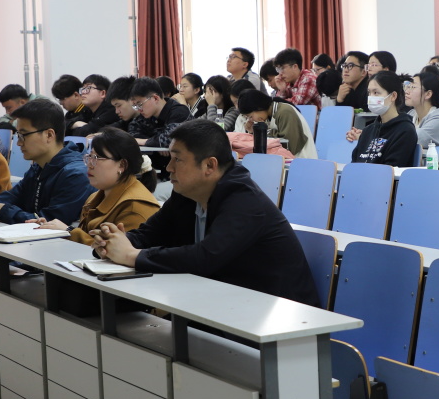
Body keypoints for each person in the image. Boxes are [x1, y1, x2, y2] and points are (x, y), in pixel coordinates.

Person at [90, 121, 320, 306]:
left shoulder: (245, 201)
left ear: (210, 165)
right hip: (225, 303)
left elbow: (206, 257)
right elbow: (150, 234)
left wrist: (132, 256)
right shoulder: (186, 193)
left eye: (177, 159)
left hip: (278, 315)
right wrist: (113, 242)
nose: (169, 168)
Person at [29, 128, 159, 243]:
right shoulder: (94, 197)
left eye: (97, 158)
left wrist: (68, 232)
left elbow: (117, 252)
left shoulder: (135, 207)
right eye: (90, 157)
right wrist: (50, 228)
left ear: (122, 165)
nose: (89, 164)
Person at [345, 72, 418, 167]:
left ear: (393, 96)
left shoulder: (405, 131)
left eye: (376, 93)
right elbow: (354, 165)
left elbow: (392, 168)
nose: (371, 97)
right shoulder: (368, 131)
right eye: (369, 92)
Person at [235, 89, 316, 158]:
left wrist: (262, 132)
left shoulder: (285, 112)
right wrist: (254, 132)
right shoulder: (268, 116)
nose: (251, 120)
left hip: (302, 161)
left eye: (250, 116)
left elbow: (290, 146)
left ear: (258, 107)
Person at [129, 77, 191, 150]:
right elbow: (132, 132)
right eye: (135, 106)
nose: (139, 109)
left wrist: (145, 142)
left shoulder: (179, 112)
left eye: (139, 104)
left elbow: (169, 140)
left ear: (155, 98)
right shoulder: (147, 114)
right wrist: (154, 142)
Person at [406, 69, 439, 151]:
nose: (407, 91)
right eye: (408, 86)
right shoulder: (411, 114)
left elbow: (410, 138)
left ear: (428, 94)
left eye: (413, 87)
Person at [108, 76, 157, 141]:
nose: (117, 111)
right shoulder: (129, 122)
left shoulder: (154, 117)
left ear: (132, 99)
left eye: (119, 105)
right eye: (115, 107)